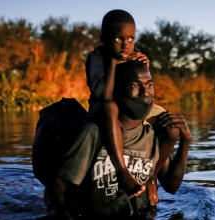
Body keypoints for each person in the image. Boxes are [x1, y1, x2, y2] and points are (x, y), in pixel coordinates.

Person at [47, 60, 192, 219]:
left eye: (149, 85)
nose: (145, 92)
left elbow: (172, 186)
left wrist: (185, 142)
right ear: (116, 91)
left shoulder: (151, 136)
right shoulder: (93, 133)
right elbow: (58, 188)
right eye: (135, 85)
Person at [85, 9, 166, 205]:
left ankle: (152, 176)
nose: (125, 45)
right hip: (102, 107)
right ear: (104, 38)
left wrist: (144, 66)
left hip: (128, 106)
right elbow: (103, 95)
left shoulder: (133, 54)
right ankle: (123, 171)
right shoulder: (96, 57)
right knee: (110, 107)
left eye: (131, 39)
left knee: (163, 118)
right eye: (118, 38)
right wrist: (113, 64)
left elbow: (142, 86)